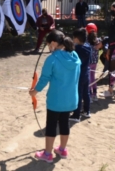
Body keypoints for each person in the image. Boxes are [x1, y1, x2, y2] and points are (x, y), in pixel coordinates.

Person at [29, 30, 81, 162]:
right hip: (70, 99)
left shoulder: (52, 58)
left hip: (56, 99)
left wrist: (34, 92)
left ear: (53, 43)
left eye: (48, 45)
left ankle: (47, 154)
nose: (48, 48)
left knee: (51, 125)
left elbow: (44, 78)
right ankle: (62, 149)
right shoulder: (74, 55)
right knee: (64, 123)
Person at [70, 28, 92, 121]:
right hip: (86, 73)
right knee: (86, 93)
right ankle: (86, 111)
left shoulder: (76, 49)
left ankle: (76, 115)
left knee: (78, 94)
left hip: (79, 75)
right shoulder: (88, 47)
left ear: (76, 39)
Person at [86, 23, 101, 102]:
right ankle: (94, 95)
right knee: (93, 77)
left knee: (88, 78)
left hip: (88, 62)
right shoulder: (98, 40)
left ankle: (89, 95)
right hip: (94, 62)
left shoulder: (85, 40)